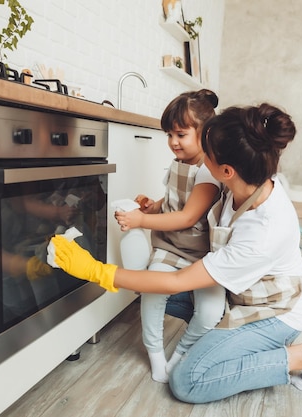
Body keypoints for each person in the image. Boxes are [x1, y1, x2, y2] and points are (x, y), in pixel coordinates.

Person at [50, 103, 302, 403]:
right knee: (148, 290)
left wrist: (96, 271)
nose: (199, 156)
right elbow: (184, 213)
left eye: (205, 152)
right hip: (237, 293)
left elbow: (177, 282)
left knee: (187, 382)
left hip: (273, 312)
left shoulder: (265, 229)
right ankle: (228, 342)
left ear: (226, 170)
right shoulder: (241, 183)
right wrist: (155, 207)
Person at [115, 89, 225, 383]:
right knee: (152, 294)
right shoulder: (179, 163)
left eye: (180, 134)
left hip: (202, 253)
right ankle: (155, 354)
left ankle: (181, 353)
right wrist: (152, 207)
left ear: (204, 133)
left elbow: (188, 216)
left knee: (211, 311)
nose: (173, 142)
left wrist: (141, 221)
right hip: (170, 247)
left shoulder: (208, 172)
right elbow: (173, 201)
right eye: (169, 135)